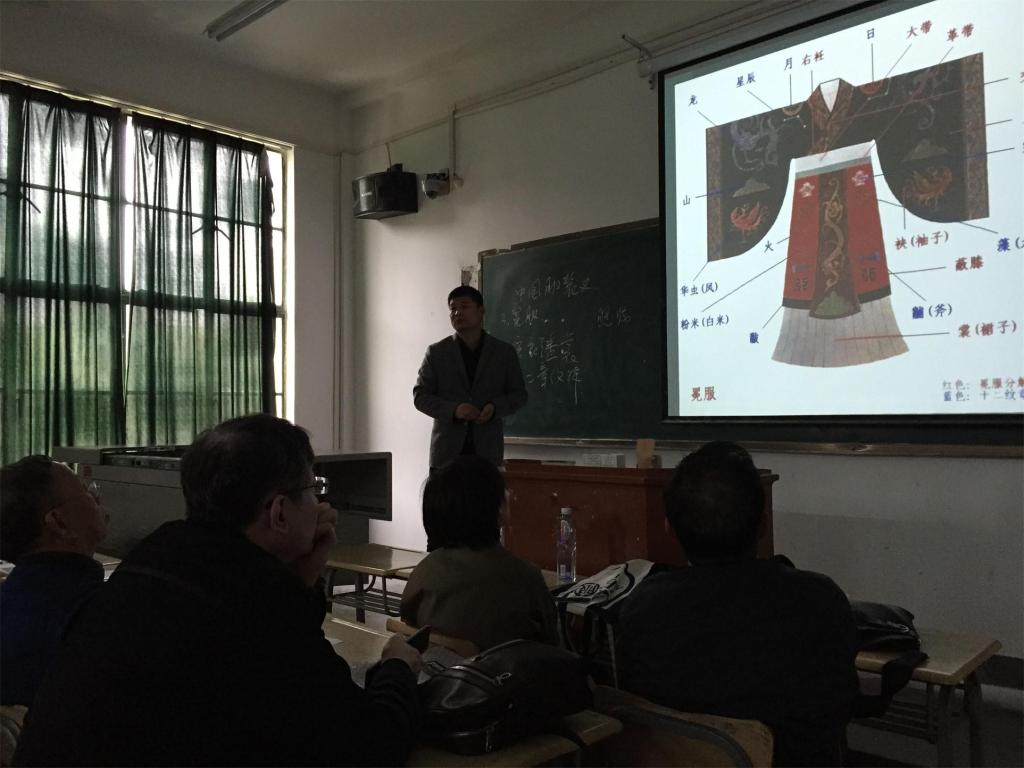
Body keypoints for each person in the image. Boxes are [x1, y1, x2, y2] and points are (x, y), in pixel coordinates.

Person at [15, 414, 422, 767]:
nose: (318, 503)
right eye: (313, 488)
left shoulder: (156, 554)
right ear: (280, 512)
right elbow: (371, 745)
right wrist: (397, 667)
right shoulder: (259, 598)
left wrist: (300, 579)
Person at [617, 441, 858, 767]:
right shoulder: (818, 601)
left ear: (669, 529)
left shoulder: (641, 607)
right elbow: (840, 704)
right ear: (763, 524)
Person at [400, 455, 557, 651]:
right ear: (496, 509)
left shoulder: (424, 572)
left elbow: (407, 620)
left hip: (437, 668)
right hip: (506, 669)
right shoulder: (524, 577)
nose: (509, 493)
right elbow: (551, 641)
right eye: (502, 489)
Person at [0, 456, 109, 706]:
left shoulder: (13, 597)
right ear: (59, 522)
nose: (96, 497)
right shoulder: (97, 614)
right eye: (85, 490)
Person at [414, 285, 527, 469]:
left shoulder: (503, 352)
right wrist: (455, 410)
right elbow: (420, 397)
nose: (457, 312)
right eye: (453, 309)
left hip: (488, 453)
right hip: (446, 455)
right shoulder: (436, 352)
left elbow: (519, 395)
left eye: (464, 306)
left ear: (481, 311)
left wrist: (494, 407)